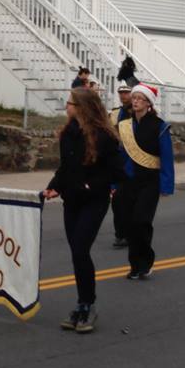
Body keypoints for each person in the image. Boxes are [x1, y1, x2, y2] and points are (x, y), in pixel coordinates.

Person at [43, 88, 124, 334]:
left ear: (82, 107)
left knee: (80, 249)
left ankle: (87, 304)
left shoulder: (104, 136)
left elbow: (116, 172)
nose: (65, 106)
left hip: (94, 201)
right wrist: (53, 187)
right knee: (77, 254)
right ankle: (81, 304)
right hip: (73, 200)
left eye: (69, 102)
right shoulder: (68, 132)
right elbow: (65, 167)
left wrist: (92, 185)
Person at [115, 82, 175, 280]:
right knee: (129, 224)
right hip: (128, 181)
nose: (135, 101)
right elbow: (119, 156)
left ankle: (146, 261)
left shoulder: (159, 126)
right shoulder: (124, 126)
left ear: (149, 103)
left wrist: (166, 185)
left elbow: (166, 157)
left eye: (140, 98)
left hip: (150, 181)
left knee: (142, 221)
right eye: (134, 98)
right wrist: (114, 183)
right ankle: (135, 265)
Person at [109, 56, 137, 248]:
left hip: (134, 163)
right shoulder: (114, 113)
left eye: (127, 93)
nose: (123, 96)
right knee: (117, 203)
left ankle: (130, 233)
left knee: (132, 203)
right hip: (118, 162)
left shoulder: (138, 114)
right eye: (121, 93)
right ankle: (120, 233)